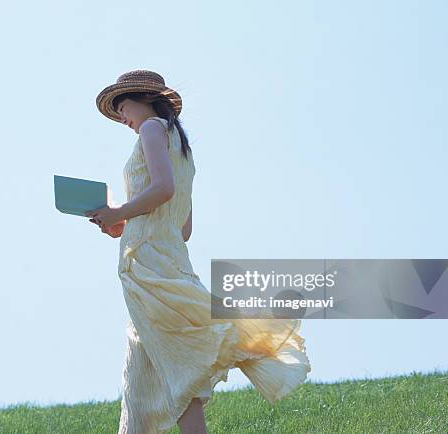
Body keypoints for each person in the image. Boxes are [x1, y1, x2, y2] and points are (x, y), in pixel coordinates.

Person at [85, 70, 311, 434]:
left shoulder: (151, 129)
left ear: (143, 99)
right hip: (167, 259)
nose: (123, 117)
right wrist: (118, 225)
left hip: (147, 268)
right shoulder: (180, 145)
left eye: (123, 107)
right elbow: (182, 227)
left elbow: (163, 189)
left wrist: (119, 212)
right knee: (146, 378)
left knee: (177, 368)